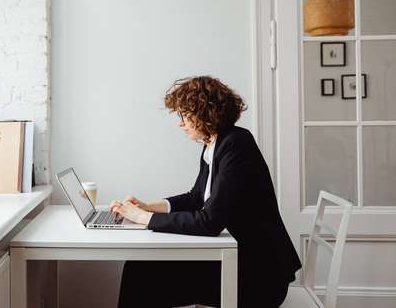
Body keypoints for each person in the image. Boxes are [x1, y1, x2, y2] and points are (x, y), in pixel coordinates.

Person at [109, 76, 302, 308]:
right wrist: (148, 206)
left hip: (258, 276)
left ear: (204, 113)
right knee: (140, 267)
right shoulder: (214, 144)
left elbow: (209, 222)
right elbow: (196, 197)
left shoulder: (237, 144)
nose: (180, 123)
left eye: (183, 115)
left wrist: (143, 218)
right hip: (238, 261)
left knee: (142, 274)